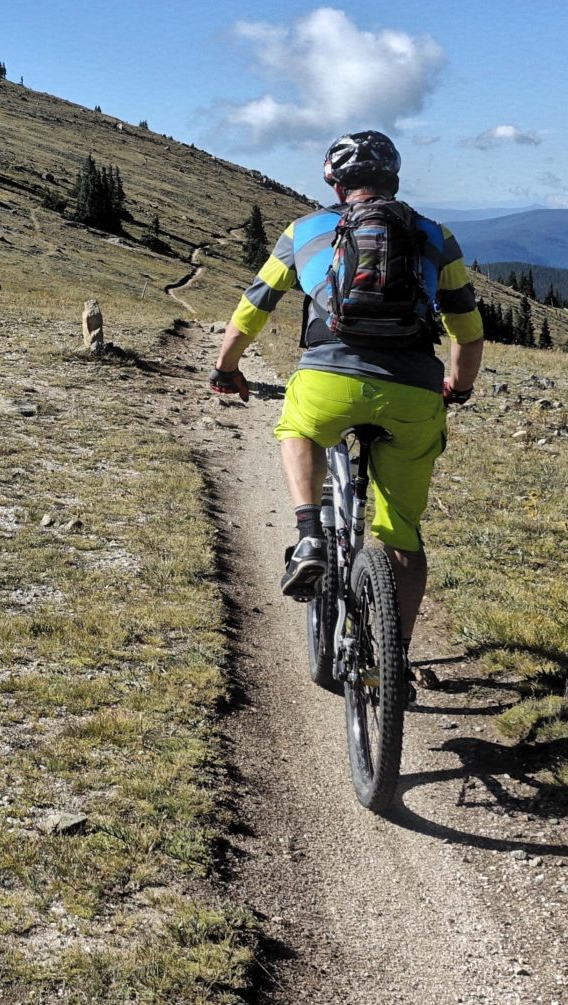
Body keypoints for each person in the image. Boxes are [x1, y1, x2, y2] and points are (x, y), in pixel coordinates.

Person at [207, 130, 483, 691]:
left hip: (327, 381)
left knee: (296, 426)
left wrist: (226, 368)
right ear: (395, 179)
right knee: (401, 532)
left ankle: (310, 532)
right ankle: (395, 658)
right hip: (412, 390)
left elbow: (254, 307)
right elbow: (468, 332)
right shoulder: (434, 236)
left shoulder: (302, 232)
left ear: (333, 181)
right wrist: (458, 386)